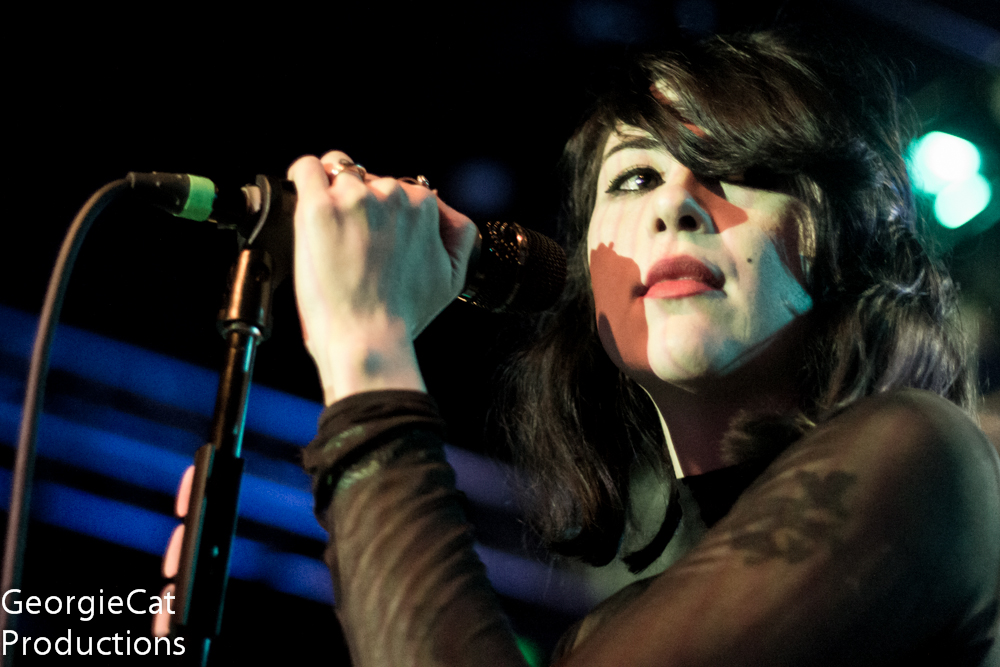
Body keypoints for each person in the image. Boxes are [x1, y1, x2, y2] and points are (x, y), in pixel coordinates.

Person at [284, 30, 1000, 665]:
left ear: (845, 247)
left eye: (739, 168)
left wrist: (366, 348)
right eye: (635, 177)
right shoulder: (604, 633)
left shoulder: (922, 452)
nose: (674, 203)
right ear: (586, 279)